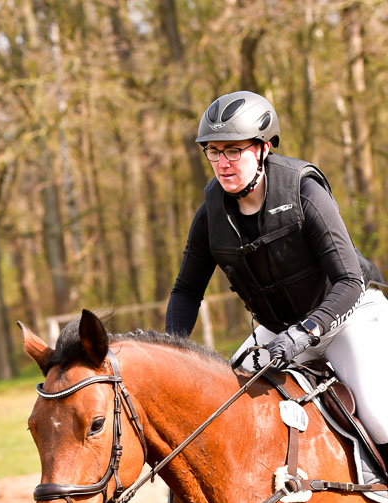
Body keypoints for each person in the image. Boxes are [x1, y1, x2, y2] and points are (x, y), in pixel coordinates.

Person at [165, 90, 388, 463]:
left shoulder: (304, 191)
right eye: (214, 152)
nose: (222, 162)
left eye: (234, 150)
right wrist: (173, 350)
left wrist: (300, 335)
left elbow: (349, 281)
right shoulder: (210, 214)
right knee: (222, 408)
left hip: (347, 315)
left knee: (381, 419)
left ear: (264, 148)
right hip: (281, 328)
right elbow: (186, 291)